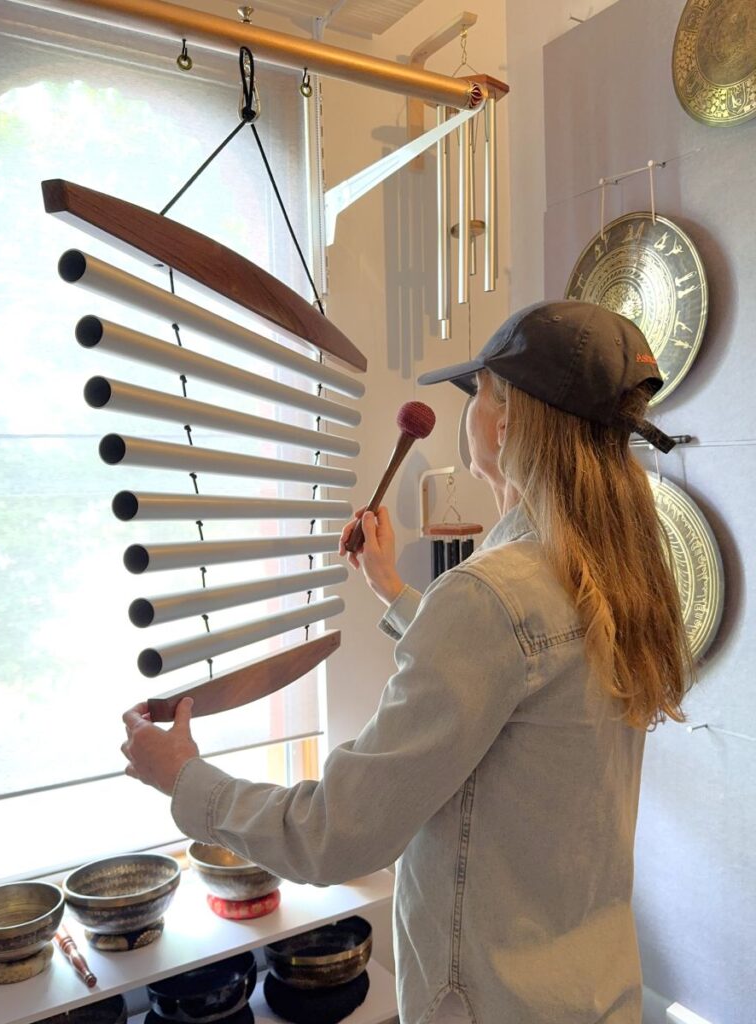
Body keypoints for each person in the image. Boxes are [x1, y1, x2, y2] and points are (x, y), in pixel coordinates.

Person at [122, 300, 691, 1024]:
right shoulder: (618, 577)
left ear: (506, 422)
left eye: (480, 391)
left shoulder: (489, 597)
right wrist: (392, 591)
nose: (469, 410)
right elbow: (514, 688)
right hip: (596, 992)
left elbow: (336, 832)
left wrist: (184, 780)